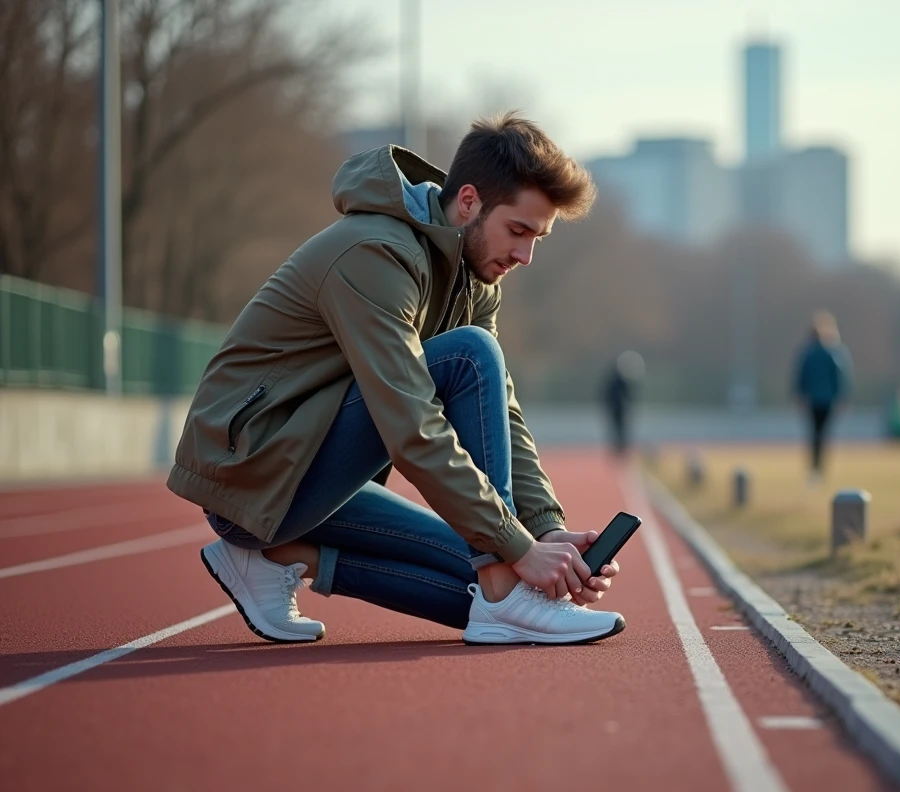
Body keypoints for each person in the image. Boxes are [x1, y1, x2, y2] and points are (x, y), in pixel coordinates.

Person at [167, 113, 623, 646]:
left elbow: (501, 411)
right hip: (253, 471)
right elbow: (411, 424)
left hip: (313, 478)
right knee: (473, 359)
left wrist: (542, 531)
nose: (524, 255)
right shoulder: (376, 253)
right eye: (518, 231)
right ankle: (504, 596)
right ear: (470, 202)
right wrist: (515, 550)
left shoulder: (474, 279)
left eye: (537, 238)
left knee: (473, 589)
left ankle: (280, 557)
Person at [792, 311, 853, 482]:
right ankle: (818, 469)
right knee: (822, 435)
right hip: (828, 400)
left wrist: (799, 396)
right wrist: (843, 398)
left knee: (815, 434)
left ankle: (815, 469)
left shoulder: (807, 353)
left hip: (813, 400)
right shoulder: (833, 352)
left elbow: (800, 377)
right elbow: (840, 377)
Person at [601, 350, 644, 457]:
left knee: (619, 429)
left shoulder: (616, 381)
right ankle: (619, 449)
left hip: (617, 409)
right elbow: (626, 395)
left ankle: (620, 449)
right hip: (618, 409)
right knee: (619, 429)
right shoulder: (618, 381)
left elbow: (625, 395)